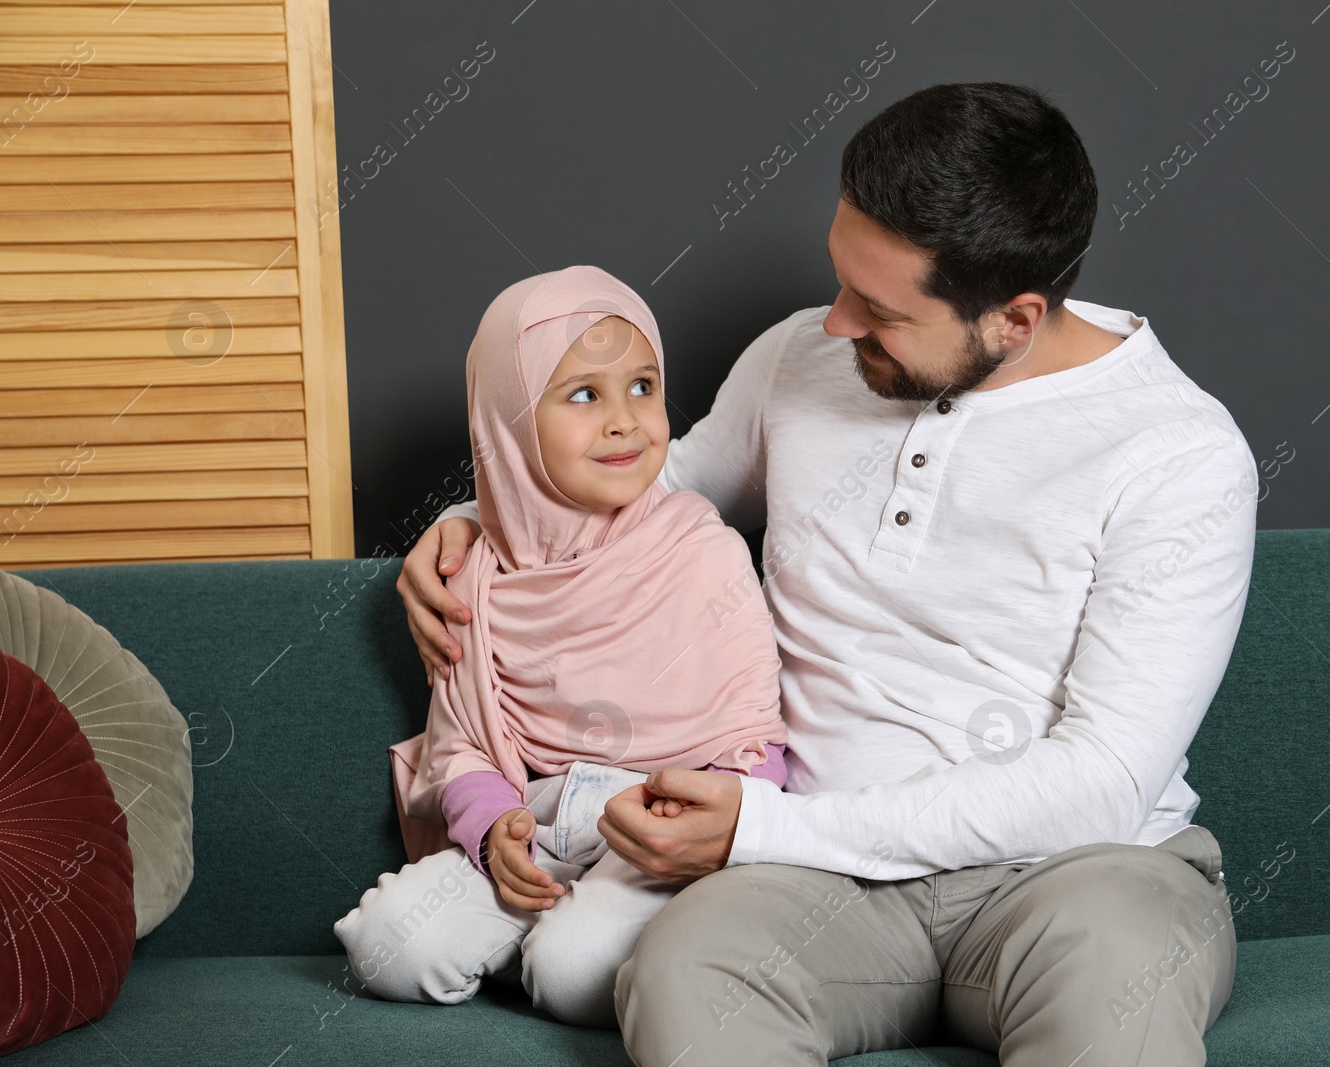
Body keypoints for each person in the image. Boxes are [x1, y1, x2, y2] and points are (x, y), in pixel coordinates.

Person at [404, 82, 1256, 1065]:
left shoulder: (1178, 454)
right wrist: (466, 520)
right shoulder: (796, 357)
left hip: (1076, 875)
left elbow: (1103, 779)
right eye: (840, 278)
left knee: (1116, 999)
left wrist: (759, 827)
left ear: (1013, 320)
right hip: (813, 887)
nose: (837, 322)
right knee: (687, 974)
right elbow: (637, 490)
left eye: (882, 310)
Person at [335, 266, 787, 1029]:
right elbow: (465, 744)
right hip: (538, 821)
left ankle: (556, 946)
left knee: (576, 971)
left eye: (643, 387)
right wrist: (491, 831)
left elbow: (755, 737)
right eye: (584, 394)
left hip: (656, 833)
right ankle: (536, 931)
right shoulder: (473, 570)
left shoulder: (697, 547)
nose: (624, 420)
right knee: (386, 946)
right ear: (508, 424)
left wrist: (691, 817)